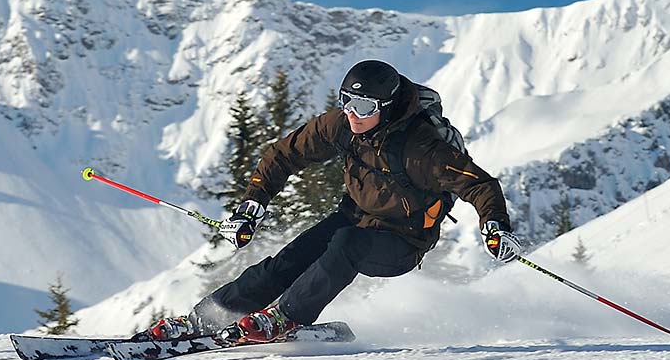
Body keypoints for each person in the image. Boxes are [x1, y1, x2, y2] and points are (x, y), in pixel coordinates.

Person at [141, 59, 524, 343]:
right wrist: (251, 206)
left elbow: (480, 184)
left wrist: (495, 226)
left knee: (345, 246)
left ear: (386, 108)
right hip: (354, 215)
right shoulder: (343, 125)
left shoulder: (421, 147)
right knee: (290, 258)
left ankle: (285, 317)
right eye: (347, 102)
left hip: (403, 241)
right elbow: (283, 155)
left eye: (365, 108)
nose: (354, 115)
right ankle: (207, 318)